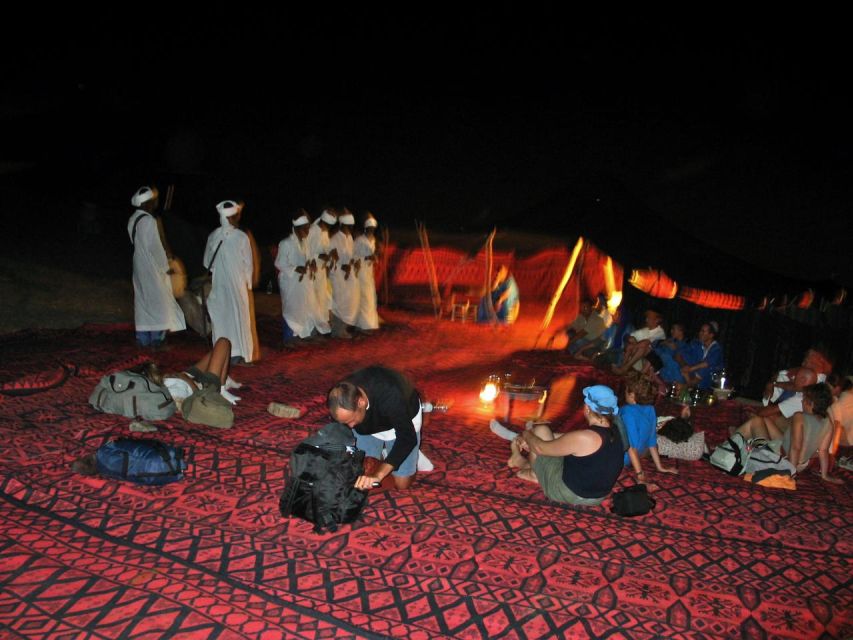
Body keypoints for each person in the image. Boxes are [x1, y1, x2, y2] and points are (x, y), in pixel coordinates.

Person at [508, 385, 624, 506]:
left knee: (541, 430)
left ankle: (528, 469)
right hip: (598, 497)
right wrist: (533, 437)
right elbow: (569, 440)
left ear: (587, 408)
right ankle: (532, 466)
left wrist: (527, 434)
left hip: (567, 493)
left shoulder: (585, 437)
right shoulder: (615, 430)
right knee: (542, 434)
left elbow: (539, 448)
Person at [327, 366, 424, 490]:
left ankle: (406, 454)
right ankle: (388, 454)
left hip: (404, 421)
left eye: (351, 420)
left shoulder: (391, 394)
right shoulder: (342, 397)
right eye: (346, 422)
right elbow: (339, 433)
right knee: (360, 475)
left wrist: (379, 475)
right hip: (368, 429)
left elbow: (407, 438)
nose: (350, 426)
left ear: (361, 402)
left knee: (401, 485)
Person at [127, 186, 186, 348]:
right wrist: (165, 267)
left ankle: (143, 339)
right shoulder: (149, 221)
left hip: (139, 264)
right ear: (146, 203)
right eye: (153, 202)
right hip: (152, 265)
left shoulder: (133, 219)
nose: (155, 205)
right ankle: (157, 341)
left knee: (144, 301)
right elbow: (155, 247)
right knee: (161, 303)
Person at [203, 200, 256, 364]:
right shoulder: (241, 237)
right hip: (236, 286)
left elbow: (206, 263)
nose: (237, 219)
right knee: (237, 319)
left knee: (223, 319)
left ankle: (225, 356)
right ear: (229, 218)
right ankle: (240, 355)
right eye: (234, 216)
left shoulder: (213, 236)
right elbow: (248, 264)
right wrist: (248, 284)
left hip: (221, 286)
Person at [275, 210, 328, 342]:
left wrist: (312, 264)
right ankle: (288, 339)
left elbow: (309, 258)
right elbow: (279, 263)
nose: (308, 231)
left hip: (303, 283)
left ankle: (304, 334)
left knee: (305, 307)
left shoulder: (305, 243)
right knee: (291, 310)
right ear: (297, 229)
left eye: (308, 228)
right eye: (305, 228)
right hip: (290, 283)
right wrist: (295, 269)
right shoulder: (286, 243)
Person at [144, 337, 242, 407]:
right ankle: (222, 389)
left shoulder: (153, 389)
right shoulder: (170, 396)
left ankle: (223, 379)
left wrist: (177, 376)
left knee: (217, 353)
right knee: (223, 342)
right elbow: (196, 397)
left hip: (188, 377)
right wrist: (185, 378)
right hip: (205, 388)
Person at [619, 371, 678, 482]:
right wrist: (660, 467)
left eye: (626, 391)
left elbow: (631, 448)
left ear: (632, 396)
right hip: (637, 455)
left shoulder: (627, 412)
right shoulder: (650, 409)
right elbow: (652, 441)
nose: (624, 393)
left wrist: (640, 475)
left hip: (621, 458)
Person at [734, 366, 818, 442]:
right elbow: (790, 386)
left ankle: (740, 439)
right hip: (788, 432)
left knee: (760, 418)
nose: (794, 377)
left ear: (802, 380)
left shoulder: (800, 399)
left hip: (786, 440)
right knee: (760, 416)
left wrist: (755, 413)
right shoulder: (807, 392)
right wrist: (773, 384)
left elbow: (764, 412)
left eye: (796, 376)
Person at [329, 209, 360, 338]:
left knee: (351, 301)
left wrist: (354, 262)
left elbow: (351, 255)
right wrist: (342, 266)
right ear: (342, 225)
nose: (350, 229)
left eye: (351, 226)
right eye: (348, 226)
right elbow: (331, 259)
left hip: (349, 276)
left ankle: (344, 328)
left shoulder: (349, 238)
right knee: (339, 303)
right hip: (338, 276)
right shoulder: (335, 239)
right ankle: (337, 330)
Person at [305, 209, 335, 336]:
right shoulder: (312, 231)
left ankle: (321, 329)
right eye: (326, 225)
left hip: (322, 272)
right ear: (322, 221)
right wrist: (319, 256)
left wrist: (329, 258)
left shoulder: (324, 231)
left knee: (323, 300)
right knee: (313, 300)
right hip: (312, 271)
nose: (327, 227)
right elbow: (306, 251)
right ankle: (312, 331)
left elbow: (326, 248)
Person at [612, 309, 666, 374]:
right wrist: (630, 339)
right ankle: (622, 366)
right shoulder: (645, 330)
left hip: (655, 361)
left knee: (643, 347)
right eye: (647, 317)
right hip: (643, 356)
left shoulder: (660, 332)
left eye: (649, 318)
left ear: (657, 320)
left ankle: (625, 368)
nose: (646, 320)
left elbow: (646, 342)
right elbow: (629, 336)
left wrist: (633, 345)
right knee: (632, 343)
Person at [353, 212, 380, 332]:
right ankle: (362, 325)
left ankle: (370, 324)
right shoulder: (359, 240)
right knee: (364, 297)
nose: (371, 230)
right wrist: (367, 258)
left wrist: (375, 257)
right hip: (361, 271)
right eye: (370, 228)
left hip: (369, 271)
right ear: (366, 227)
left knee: (370, 297)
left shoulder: (373, 240)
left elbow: (373, 254)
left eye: (373, 228)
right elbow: (353, 257)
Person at [678, 321, 724, 389]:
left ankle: (688, 385)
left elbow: (707, 363)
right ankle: (688, 384)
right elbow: (680, 353)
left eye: (703, 331)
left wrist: (690, 369)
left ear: (711, 335)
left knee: (706, 367)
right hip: (693, 374)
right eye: (700, 330)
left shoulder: (717, 349)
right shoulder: (696, 343)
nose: (700, 333)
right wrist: (684, 365)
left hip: (710, 378)